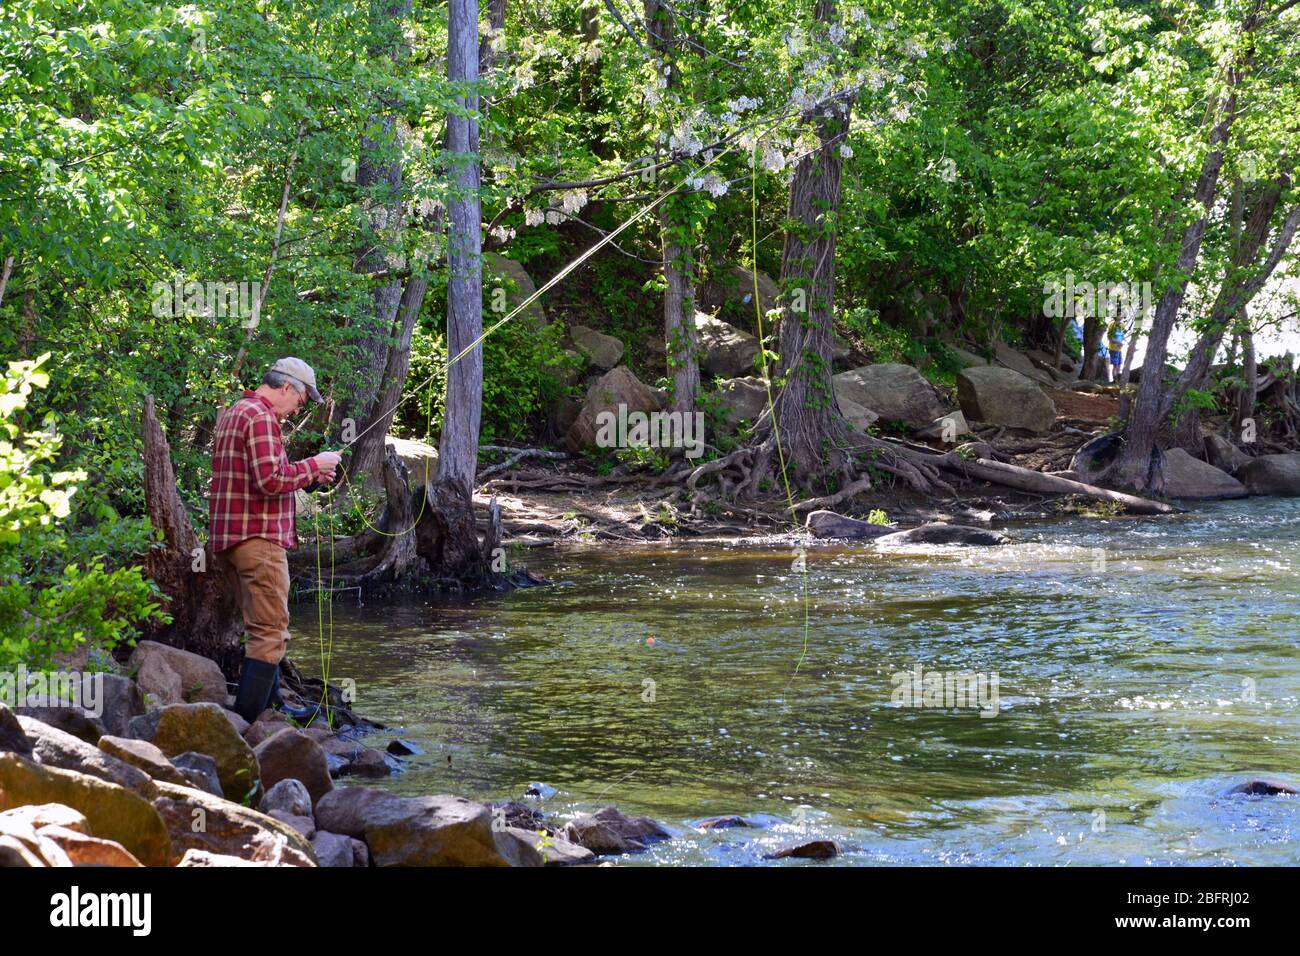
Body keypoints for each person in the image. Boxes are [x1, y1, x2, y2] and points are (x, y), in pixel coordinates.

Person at [210, 357, 342, 722]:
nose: (297, 410)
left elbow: (258, 479)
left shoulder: (239, 410)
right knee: (270, 632)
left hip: (232, 540)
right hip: (258, 541)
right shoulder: (262, 417)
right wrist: (315, 464)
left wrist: (310, 480)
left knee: (258, 629)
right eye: (300, 402)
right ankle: (250, 726)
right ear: (287, 387)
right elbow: (270, 480)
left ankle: (274, 708)